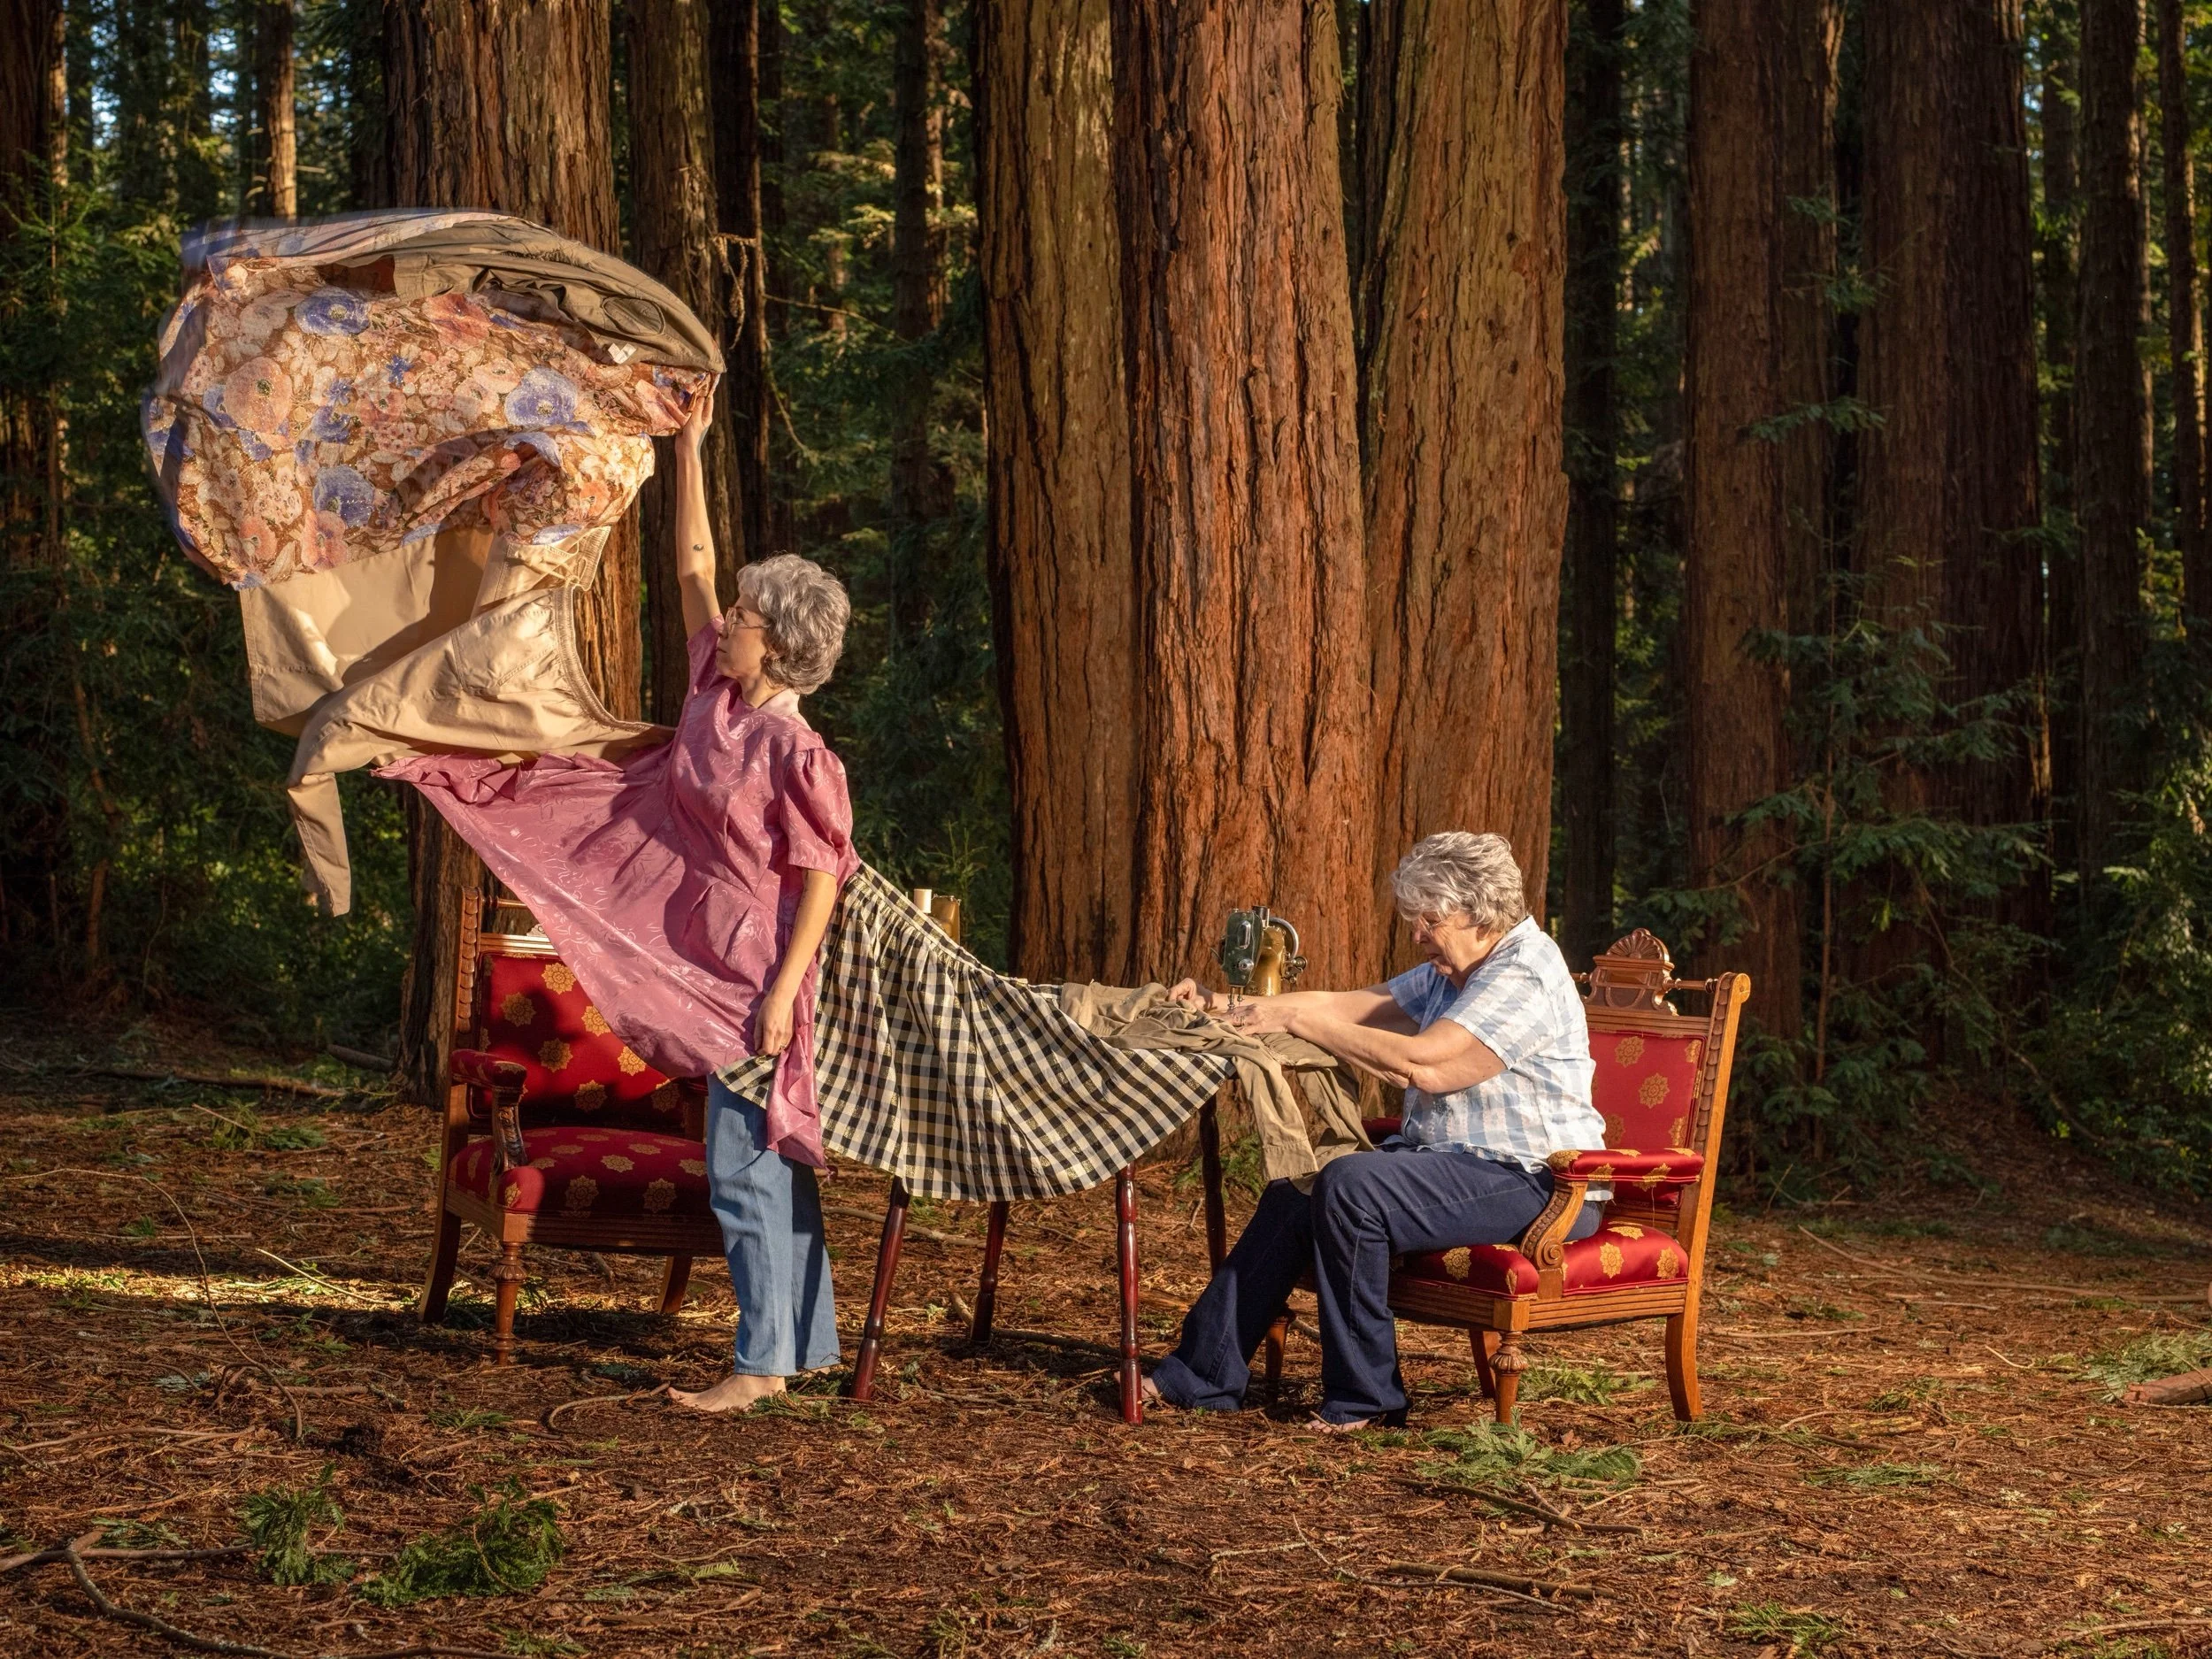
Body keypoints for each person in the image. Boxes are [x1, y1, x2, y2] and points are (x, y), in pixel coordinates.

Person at [387, 393, 857, 1414]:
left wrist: (782, 994)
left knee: (745, 1157)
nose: (723, 620)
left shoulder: (795, 751)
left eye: (743, 617)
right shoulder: (712, 693)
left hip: (749, 970)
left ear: (773, 643)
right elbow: (690, 565)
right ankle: (798, 1347)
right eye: (732, 613)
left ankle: (760, 1364)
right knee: (760, 1153)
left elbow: (822, 876)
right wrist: (685, 447)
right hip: (685, 941)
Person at [1144, 831, 1605, 1430]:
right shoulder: (1454, 967)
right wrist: (1227, 1007)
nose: (1417, 932)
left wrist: (1300, 1020)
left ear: (1475, 910)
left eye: (1427, 918)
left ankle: (1368, 1399)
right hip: (1460, 1164)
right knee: (1295, 1195)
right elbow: (1350, 1005)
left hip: (1539, 1179)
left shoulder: (1523, 974)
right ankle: (1198, 1375)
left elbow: (1425, 1063)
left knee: (1354, 1186)